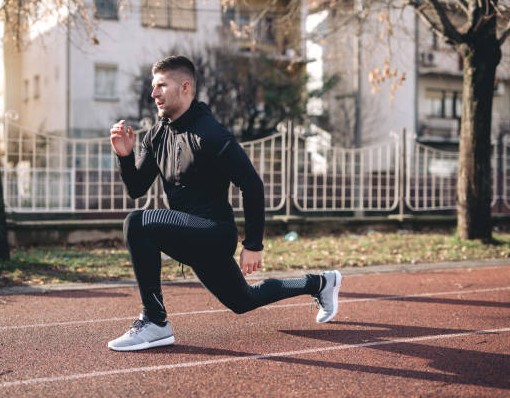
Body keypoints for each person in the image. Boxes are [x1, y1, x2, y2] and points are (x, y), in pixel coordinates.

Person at [108, 56, 342, 352]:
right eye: (153, 87)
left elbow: (252, 184)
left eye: (161, 86)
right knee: (243, 301)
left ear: (185, 88)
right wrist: (125, 157)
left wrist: (253, 244)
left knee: (137, 223)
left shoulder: (211, 134)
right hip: (188, 234)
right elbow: (136, 188)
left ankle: (155, 321)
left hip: (215, 232)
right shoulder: (156, 137)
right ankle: (321, 283)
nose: (154, 93)